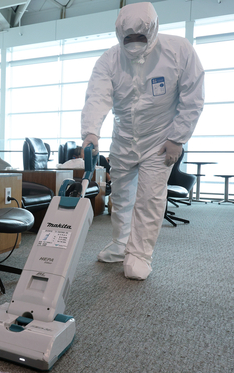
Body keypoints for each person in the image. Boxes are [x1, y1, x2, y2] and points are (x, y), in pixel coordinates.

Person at [81, 2, 204, 280]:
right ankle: (121, 243)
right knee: (122, 196)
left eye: (140, 38)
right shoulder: (109, 59)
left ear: (153, 30)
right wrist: (91, 131)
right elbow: (97, 95)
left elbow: (192, 97)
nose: (134, 44)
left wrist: (177, 138)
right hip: (123, 138)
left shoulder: (179, 50)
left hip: (161, 141)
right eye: (129, 39)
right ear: (119, 35)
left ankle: (139, 255)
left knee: (149, 198)